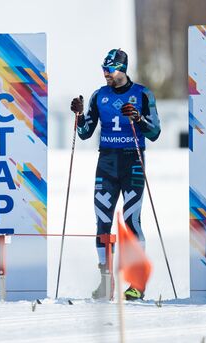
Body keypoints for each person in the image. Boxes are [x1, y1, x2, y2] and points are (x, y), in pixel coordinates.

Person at [70, 49, 160, 300]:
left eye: (110, 69)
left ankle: (136, 285)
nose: (106, 73)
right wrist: (78, 115)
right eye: (104, 69)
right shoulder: (99, 95)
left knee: (132, 222)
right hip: (107, 162)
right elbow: (86, 132)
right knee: (102, 222)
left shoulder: (142, 94)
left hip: (133, 161)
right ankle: (106, 282)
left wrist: (139, 118)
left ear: (123, 68)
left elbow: (155, 132)